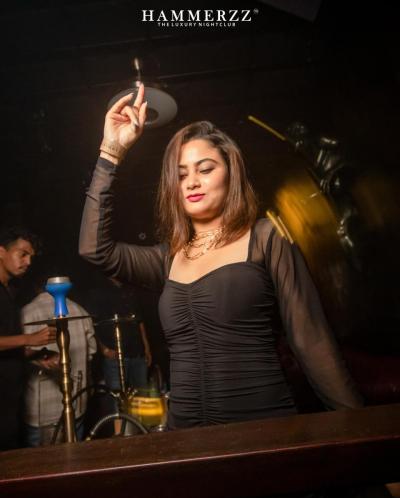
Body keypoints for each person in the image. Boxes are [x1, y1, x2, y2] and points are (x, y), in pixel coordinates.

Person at [79, 84, 363, 437]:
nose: (192, 182)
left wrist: (362, 433)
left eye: (205, 169)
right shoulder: (168, 257)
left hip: (261, 431)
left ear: (231, 173)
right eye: (181, 174)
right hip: (187, 439)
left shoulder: (265, 239)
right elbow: (94, 249)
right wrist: (111, 152)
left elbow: (311, 339)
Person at [21, 279, 96, 446]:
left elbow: (17, 358)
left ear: (37, 286)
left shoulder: (27, 312)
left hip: (41, 411)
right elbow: (91, 353)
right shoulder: (79, 310)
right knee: (75, 455)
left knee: (40, 461)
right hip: (78, 403)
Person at [0, 227, 56, 450]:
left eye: (31, 257)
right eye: (22, 254)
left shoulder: (9, 290)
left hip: (11, 395)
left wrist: (36, 354)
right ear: (1, 252)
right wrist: (28, 338)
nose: (28, 262)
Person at [86, 278, 152, 393]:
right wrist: (104, 350)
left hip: (138, 353)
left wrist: (146, 348)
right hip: (114, 356)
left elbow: (139, 320)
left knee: (142, 396)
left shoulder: (130, 289)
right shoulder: (99, 290)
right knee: (117, 397)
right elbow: (91, 325)